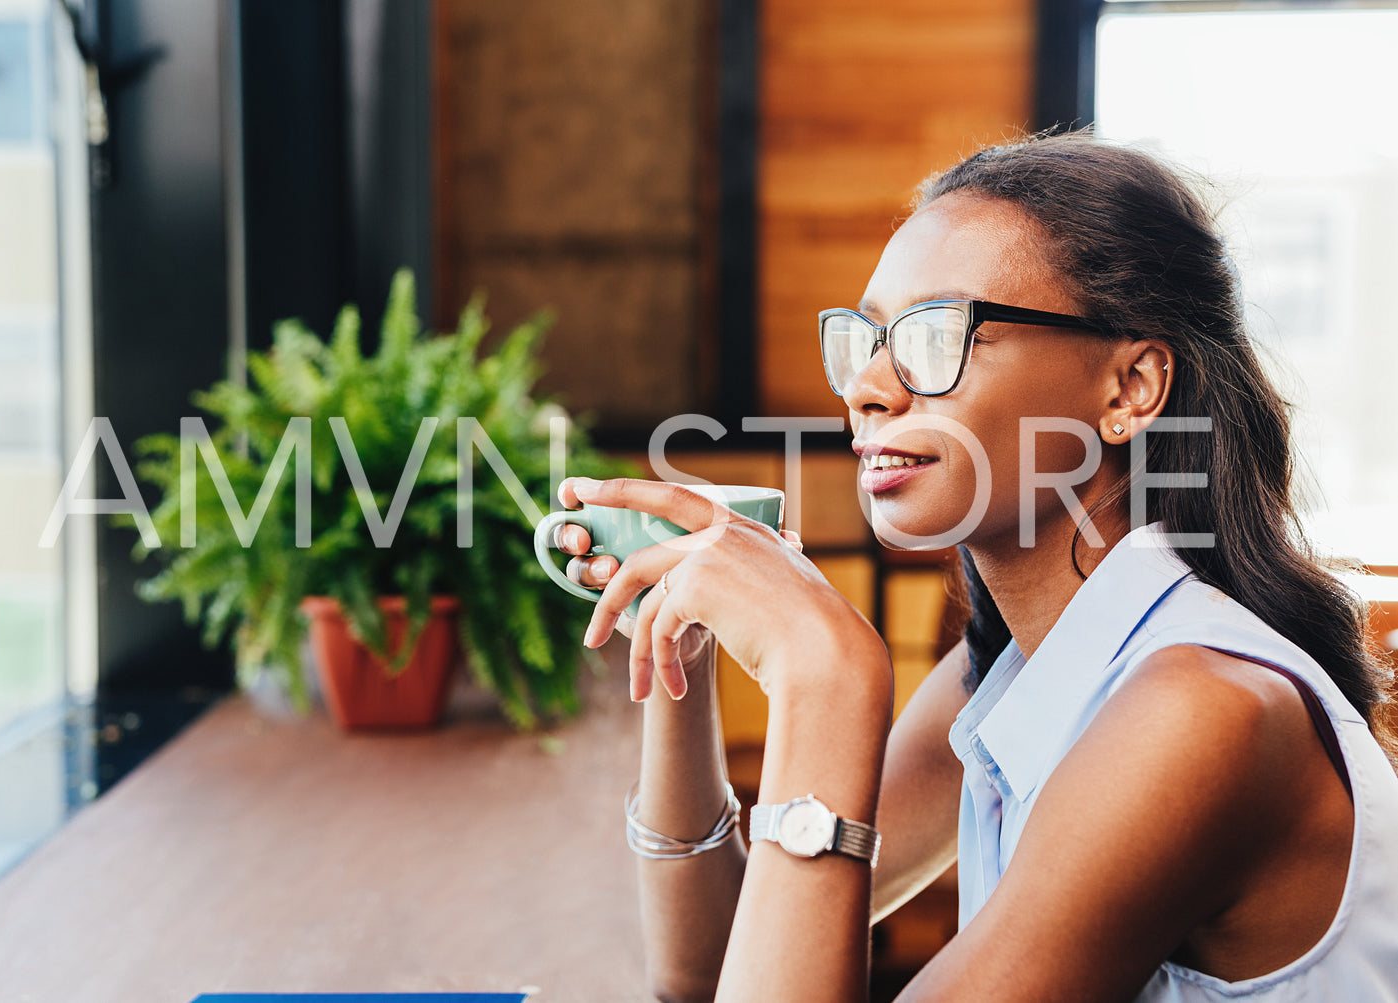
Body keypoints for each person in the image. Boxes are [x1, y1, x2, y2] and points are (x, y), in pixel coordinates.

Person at [554, 132, 1398, 1002]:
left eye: (934, 335)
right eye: (866, 339)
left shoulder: (1202, 711)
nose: (866, 389)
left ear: (1128, 389)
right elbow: (715, 966)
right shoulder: (1008, 670)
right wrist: (677, 649)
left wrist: (828, 680)